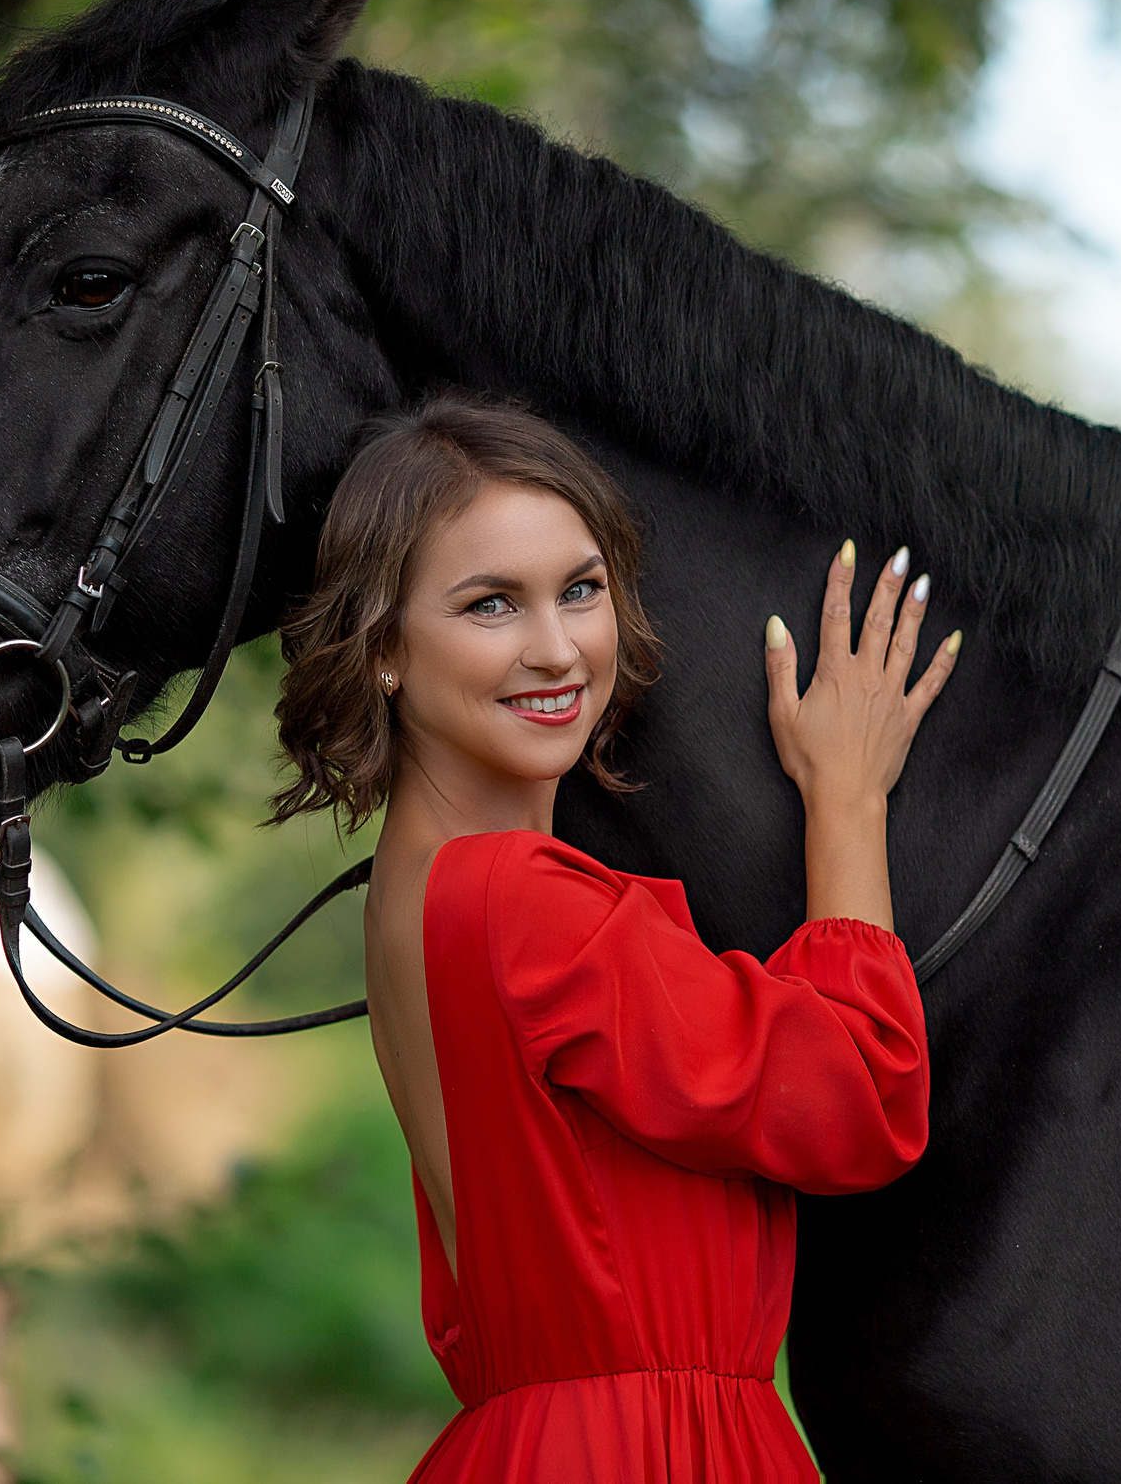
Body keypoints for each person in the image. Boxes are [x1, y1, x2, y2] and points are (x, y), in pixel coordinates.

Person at [272, 393, 959, 1481]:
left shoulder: (410, 894)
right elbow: (860, 1098)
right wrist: (848, 799)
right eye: (491, 603)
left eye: (580, 589)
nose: (557, 650)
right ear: (384, 646)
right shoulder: (520, 901)